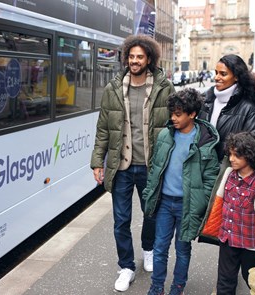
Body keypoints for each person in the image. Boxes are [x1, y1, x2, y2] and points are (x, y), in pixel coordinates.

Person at [90, 34, 175, 292]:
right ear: (126, 58)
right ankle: (126, 266)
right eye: (131, 56)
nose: (135, 61)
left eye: (140, 56)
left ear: (149, 58)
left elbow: (175, 124)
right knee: (120, 220)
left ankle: (148, 249)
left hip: (151, 166)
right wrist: (97, 162)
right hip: (122, 166)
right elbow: (103, 128)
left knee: (151, 214)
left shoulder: (164, 87)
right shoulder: (113, 89)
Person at [143, 88, 220, 295]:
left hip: (187, 205)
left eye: (178, 114)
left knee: (183, 249)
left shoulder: (205, 142)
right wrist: (148, 193)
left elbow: (210, 178)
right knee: (159, 248)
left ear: (192, 114)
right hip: (165, 203)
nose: (173, 118)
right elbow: (155, 169)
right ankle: (156, 287)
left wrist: (200, 202)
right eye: (172, 113)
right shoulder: (165, 136)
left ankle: (178, 288)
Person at [200, 132, 255, 295]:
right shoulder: (227, 175)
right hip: (228, 241)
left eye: (237, 155)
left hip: (250, 246)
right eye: (230, 154)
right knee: (224, 283)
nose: (231, 158)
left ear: (250, 156)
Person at [198, 54, 255, 162]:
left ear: (236, 76)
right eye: (216, 73)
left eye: (223, 74)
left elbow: (251, 149)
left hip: (228, 173)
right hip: (202, 170)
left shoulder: (248, 109)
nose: (217, 77)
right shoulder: (205, 100)